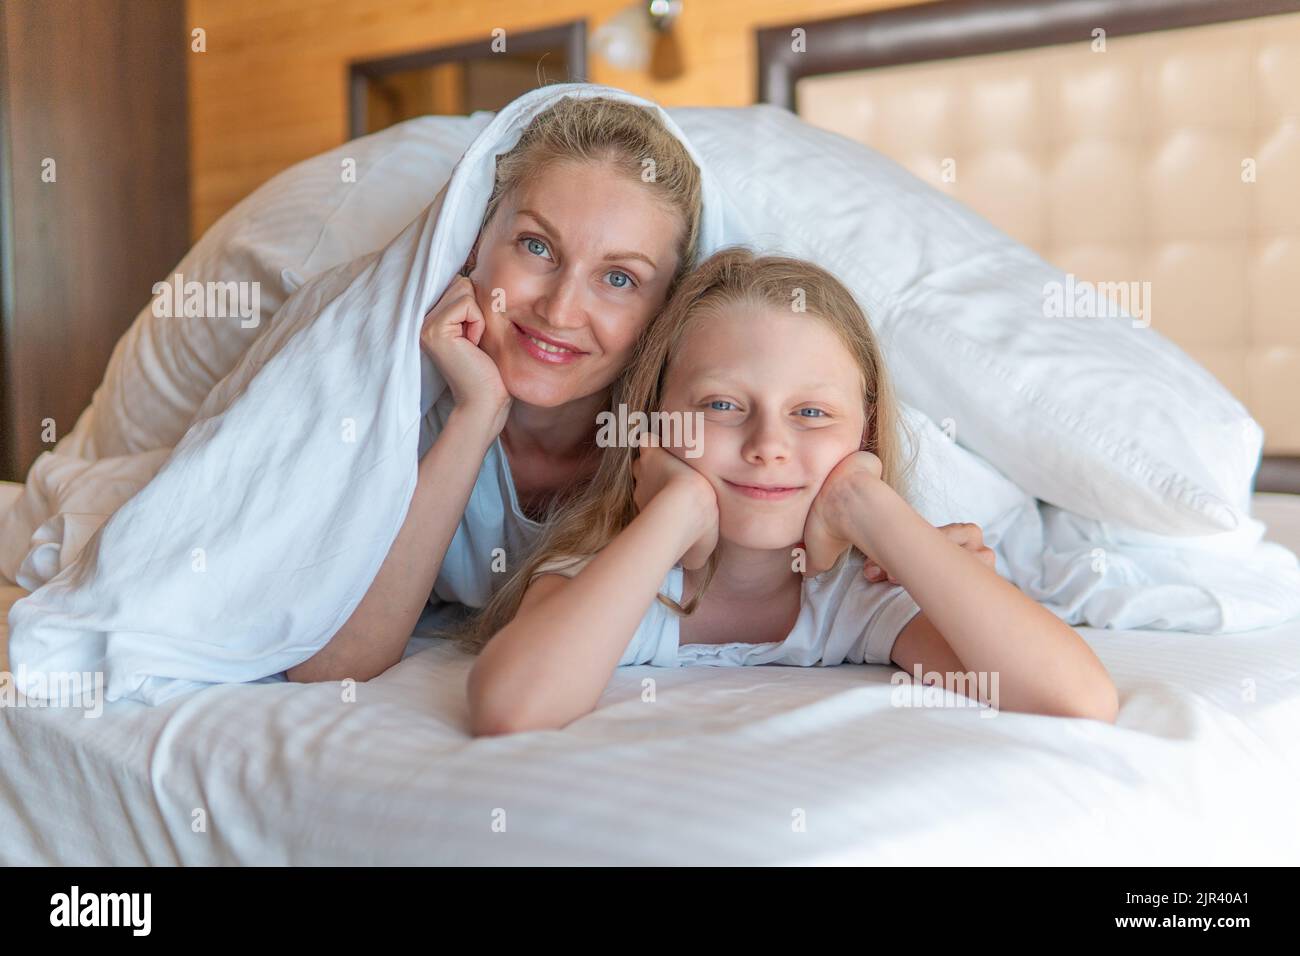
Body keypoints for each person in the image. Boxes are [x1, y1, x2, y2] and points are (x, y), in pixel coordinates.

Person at [462, 248, 1121, 734]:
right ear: (655, 422)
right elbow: (510, 709)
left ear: (864, 435)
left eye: (811, 413)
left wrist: (871, 507)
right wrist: (676, 511)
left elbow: (1075, 699)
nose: (768, 445)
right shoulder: (612, 577)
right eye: (722, 405)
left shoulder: (859, 597)